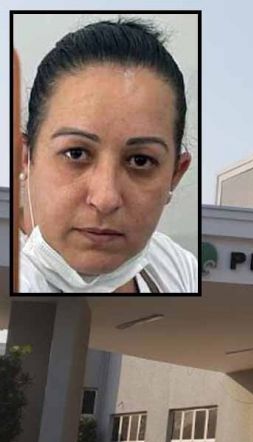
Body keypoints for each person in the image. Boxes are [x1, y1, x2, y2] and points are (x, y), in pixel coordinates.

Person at [17, 18, 198, 293]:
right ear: (25, 158)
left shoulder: (179, 270)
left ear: (175, 174)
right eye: (76, 153)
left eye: (140, 161)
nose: (105, 199)